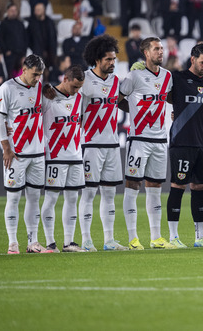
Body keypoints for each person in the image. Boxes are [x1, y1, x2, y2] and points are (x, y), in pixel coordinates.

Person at [118, 37, 175, 250]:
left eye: (162, 48)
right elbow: (117, 98)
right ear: (146, 53)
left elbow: (168, 98)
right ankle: (133, 238)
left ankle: (156, 238)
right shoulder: (134, 76)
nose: (161, 52)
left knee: (155, 188)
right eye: (156, 49)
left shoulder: (168, 76)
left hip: (160, 140)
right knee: (133, 185)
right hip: (139, 140)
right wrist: (133, 111)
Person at [166, 43, 203, 248]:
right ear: (193, 59)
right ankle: (173, 237)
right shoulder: (177, 79)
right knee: (177, 186)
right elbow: (162, 95)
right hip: (181, 142)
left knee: (199, 188)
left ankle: (200, 237)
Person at [78, 35, 127, 251]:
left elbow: (128, 103)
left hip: (112, 145)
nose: (112, 63)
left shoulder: (117, 82)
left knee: (109, 193)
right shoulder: (84, 80)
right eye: (108, 59)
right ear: (97, 60)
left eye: (114, 59)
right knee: (88, 193)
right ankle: (87, 240)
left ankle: (109, 240)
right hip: (90, 144)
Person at [0, 55, 47, 254]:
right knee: (13, 198)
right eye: (35, 74)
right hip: (16, 154)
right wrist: (6, 149)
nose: (37, 79)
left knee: (34, 198)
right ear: (24, 70)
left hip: (37, 154)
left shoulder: (41, 88)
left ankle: (33, 242)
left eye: (40, 75)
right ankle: (12, 243)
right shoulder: (7, 88)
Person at [40, 65, 87, 253]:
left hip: (76, 155)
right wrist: (44, 86)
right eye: (74, 86)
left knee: (72, 198)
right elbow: (29, 88)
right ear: (65, 79)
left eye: (80, 87)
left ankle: (69, 242)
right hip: (55, 156)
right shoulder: (47, 96)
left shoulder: (80, 97)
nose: (77, 90)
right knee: (51, 199)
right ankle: (50, 243)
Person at [0, 4, 28, 79]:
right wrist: (6, 50)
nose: (13, 12)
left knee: (21, 74)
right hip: (10, 54)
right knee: (10, 74)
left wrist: (24, 52)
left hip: (20, 53)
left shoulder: (20, 24)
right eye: (11, 11)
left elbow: (25, 38)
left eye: (15, 11)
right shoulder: (3, 24)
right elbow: (0, 39)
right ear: (7, 11)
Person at [27, 3, 57, 70]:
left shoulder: (50, 22)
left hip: (49, 52)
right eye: (35, 10)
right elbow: (28, 38)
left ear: (43, 10)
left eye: (38, 10)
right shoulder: (32, 23)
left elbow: (53, 38)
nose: (36, 12)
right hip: (36, 51)